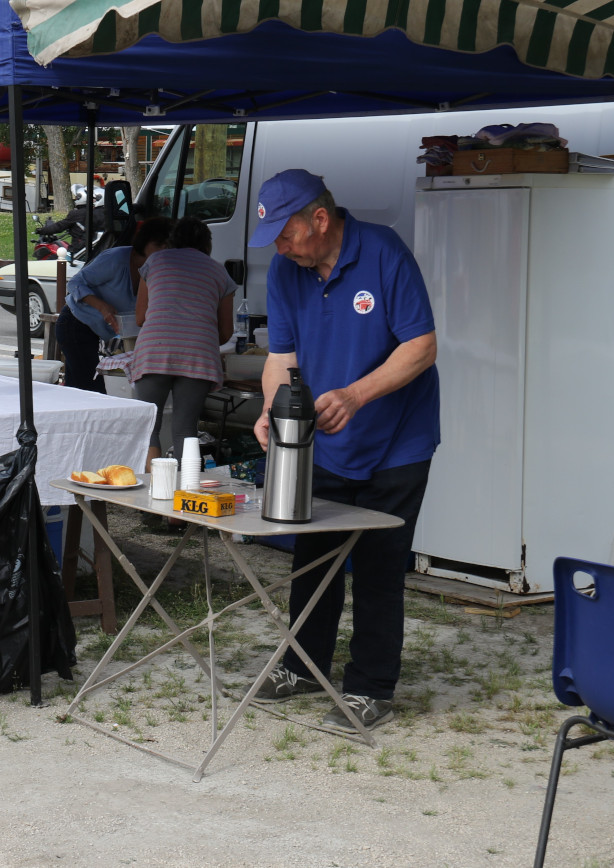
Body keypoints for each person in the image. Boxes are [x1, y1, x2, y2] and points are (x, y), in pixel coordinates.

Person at [247, 169, 440, 732]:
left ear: (320, 220)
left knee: (380, 566)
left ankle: (371, 685)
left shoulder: (383, 253)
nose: (279, 249)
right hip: (325, 443)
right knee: (315, 559)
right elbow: (280, 358)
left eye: (285, 235)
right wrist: (269, 409)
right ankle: (304, 666)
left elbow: (422, 345)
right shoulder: (288, 270)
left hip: (397, 442)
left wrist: (356, 394)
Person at [130, 217, 235, 469]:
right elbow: (225, 332)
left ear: (172, 241)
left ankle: (153, 498)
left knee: (148, 427)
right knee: (186, 430)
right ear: (207, 244)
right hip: (198, 355)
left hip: (154, 351)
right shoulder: (219, 271)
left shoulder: (155, 262)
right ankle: (184, 495)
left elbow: (141, 317)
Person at [54, 216, 175, 393]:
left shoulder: (155, 271)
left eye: (168, 247)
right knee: (91, 389)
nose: (164, 251)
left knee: (77, 389)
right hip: (74, 323)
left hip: (99, 335)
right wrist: (101, 306)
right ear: (144, 243)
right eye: (160, 245)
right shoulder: (116, 258)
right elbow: (75, 283)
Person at [41, 185, 107, 257]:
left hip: (78, 250)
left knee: (54, 257)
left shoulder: (79, 214)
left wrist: (43, 230)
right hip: (96, 249)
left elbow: (60, 226)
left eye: (95, 199)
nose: (93, 200)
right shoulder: (105, 214)